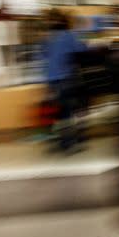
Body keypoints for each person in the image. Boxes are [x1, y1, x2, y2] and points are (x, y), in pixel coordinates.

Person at [43, 9, 85, 152]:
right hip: (65, 78)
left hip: (50, 80)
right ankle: (68, 143)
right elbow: (81, 49)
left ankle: (61, 140)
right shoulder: (68, 36)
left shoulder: (47, 37)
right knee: (68, 111)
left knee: (60, 111)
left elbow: (44, 55)